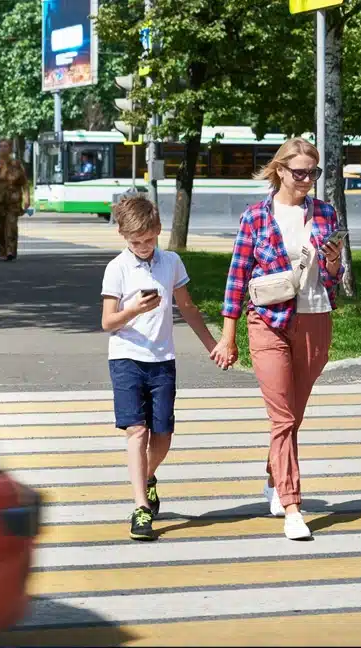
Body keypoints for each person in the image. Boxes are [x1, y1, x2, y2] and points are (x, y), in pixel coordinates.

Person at [211, 137, 346, 541]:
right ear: (280, 170)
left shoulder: (325, 213)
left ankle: (274, 475)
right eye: (300, 172)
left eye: (314, 173)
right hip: (267, 319)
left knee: (293, 416)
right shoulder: (257, 216)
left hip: (315, 318)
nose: (307, 180)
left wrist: (335, 260)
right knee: (283, 417)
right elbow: (237, 277)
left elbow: (334, 277)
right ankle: (292, 506)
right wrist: (228, 335)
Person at [101, 194, 230, 541]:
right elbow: (108, 322)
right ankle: (141, 508)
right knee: (137, 432)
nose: (143, 247)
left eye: (148, 239)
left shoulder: (171, 262)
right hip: (127, 357)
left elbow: (187, 308)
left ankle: (148, 475)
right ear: (123, 236)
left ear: (158, 229)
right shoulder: (117, 268)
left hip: (162, 360)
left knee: (163, 436)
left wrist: (213, 345)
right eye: (135, 242)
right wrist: (134, 311)